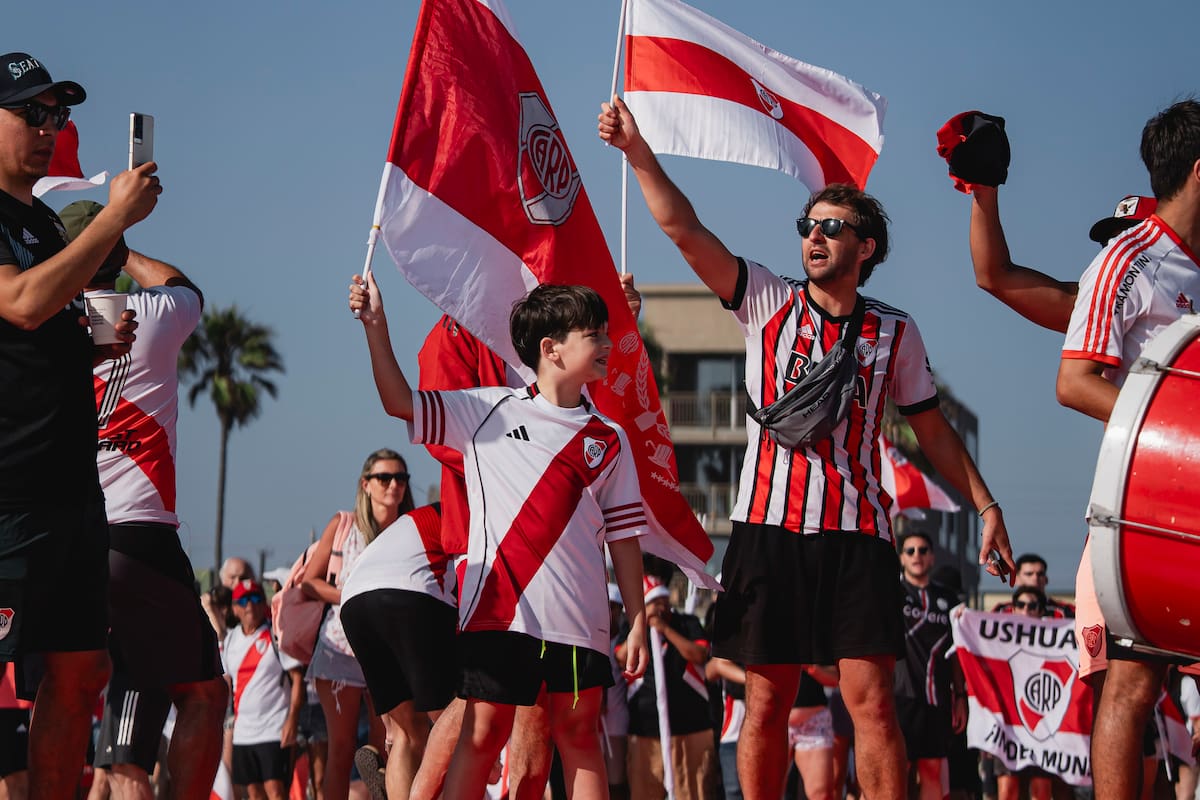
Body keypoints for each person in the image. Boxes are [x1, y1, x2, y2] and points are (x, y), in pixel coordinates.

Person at [599, 96, 1014, 800]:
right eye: (807, 226)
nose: (814, 237)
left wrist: (986, 503)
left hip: (858, 537)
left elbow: (933, 429)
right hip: (768, 533)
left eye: (832, 227)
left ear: (866, 248)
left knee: (872, 705)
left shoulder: (896, 333)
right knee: (766, 702)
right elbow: (683, 228)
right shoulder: (764, 299)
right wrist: (638, 152)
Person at [349, 275, 651, 800]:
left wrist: (639, 617)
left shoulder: (610, 438)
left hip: (580, 622)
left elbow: (624, 539)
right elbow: (400, 401)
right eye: (593, 335)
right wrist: (376, 327)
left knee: (580, 739)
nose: (607, 345)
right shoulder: (485, 410)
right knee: (482, 735)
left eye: (607, 334)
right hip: (499, 616)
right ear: (551, 349)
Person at [0, 51, 160, 799]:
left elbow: (44, 319)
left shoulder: (37, 219)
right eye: (30, 113)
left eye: (57, 115)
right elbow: (23, 302)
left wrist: (92, 341)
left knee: (80, 667)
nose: (48, 128)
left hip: (69, 487)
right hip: (9, 492)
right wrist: (116, 223)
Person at [54, 198, 229, 800]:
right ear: (111, 252)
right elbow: (188, 290)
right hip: (137, 534)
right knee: (202, 691)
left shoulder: (44, 326)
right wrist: (126, 250)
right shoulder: (147, 315)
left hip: (64, 538)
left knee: (90, 699)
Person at [1056, 99, 1200, 800]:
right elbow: (1075, 382)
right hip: (1149, 506)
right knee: (1134, 684)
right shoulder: (1127, 257)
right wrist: (1183, 444)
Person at [301, 448, 414, 800]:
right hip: (341, 652)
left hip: (390, 654)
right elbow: (309, 582)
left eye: (400, 477)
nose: (393, 485)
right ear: (366, 484)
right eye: (384, 477)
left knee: (386, 747)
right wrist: (353, 595)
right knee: (342, 748)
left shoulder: (411, 528)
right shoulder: (345, 525)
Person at [339, 501, 456, 800]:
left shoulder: (420, 517)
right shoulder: (473, 509)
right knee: (455, 724)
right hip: (409, 592)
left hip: (353, 601)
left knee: (407, 731)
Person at [619, 577, 713, 800]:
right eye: (654, 601)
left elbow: (699, 655)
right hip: (645, 732)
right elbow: (621, 657)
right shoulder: (632, 629)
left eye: (663, 600)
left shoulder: (686, 623)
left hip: (690, 728)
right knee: (645, 791)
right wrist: (642, 627)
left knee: (692, 791)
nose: (661, 606)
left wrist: (664, 629)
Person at [894, 531, 967, 800]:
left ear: (932, 556)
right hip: (898, 697)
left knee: (933, 770)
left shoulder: (949, 600)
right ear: (901, 557)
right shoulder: (892, 592)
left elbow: (957, 652)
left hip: (935, 699)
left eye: (923, 550)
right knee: (895, 770)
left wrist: (960, 696)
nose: (917, 556)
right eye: (910, 551)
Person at [222, 580, 304, 800]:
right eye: (244, 601)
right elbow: (228, 684)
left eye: (257, 599)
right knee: (252, 792)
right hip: (243, 733)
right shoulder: (230, 641)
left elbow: (297, 679)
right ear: (235, 608)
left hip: (274, 729)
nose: (251, 606)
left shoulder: (276, 635)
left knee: (276, 791)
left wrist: (292, 720)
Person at [990, 586, 1055, 800]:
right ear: (1013, 609)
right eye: (1020, 605)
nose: (1026, 610)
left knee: (1041, 790)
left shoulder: (1055, 642)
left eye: (1033, 605)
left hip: (1042, 726)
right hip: (1008, 726)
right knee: (1007, 789)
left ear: (1041, 610)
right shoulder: (998, 640)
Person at [787, 666, 839, 800]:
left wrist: (811, 667)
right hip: (773, 719)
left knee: (821, 795)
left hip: (814, 721)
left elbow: (835, 678)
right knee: (765, 793)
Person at [990, 554, 1074, 618]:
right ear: (1015, 579)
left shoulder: (1066, 611)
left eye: (1040, 574)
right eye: (1029, 574)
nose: (1035, 578)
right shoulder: (1001, 611)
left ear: (1046, 579)